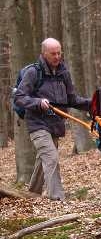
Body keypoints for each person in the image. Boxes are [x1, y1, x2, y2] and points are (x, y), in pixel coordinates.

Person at [13, 38, 91, 200]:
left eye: (59, 53)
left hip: (55, 124)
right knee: (51, 157)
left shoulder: (63, 73)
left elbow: (72, 100)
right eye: (53, 53)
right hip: (37, 124)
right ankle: (57, 199)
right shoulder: (33, 72)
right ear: (44, 54)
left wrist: (93, 104)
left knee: (44, 161)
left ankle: (31, 195)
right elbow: (19, 97)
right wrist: (37, 102)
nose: (57, 57)